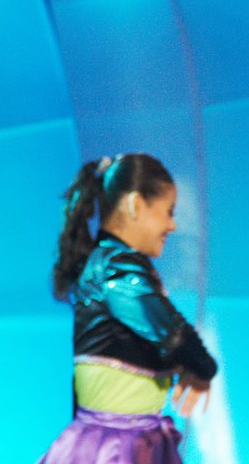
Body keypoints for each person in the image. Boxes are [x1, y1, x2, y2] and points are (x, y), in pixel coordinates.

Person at [38, 153, 217, 464]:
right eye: (168, 212)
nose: (173, 225)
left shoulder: (104, 263)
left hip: (116, 440)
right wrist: (202, 367)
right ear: (135, 204)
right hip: (120, 447)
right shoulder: (118, 270)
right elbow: (170, 331)